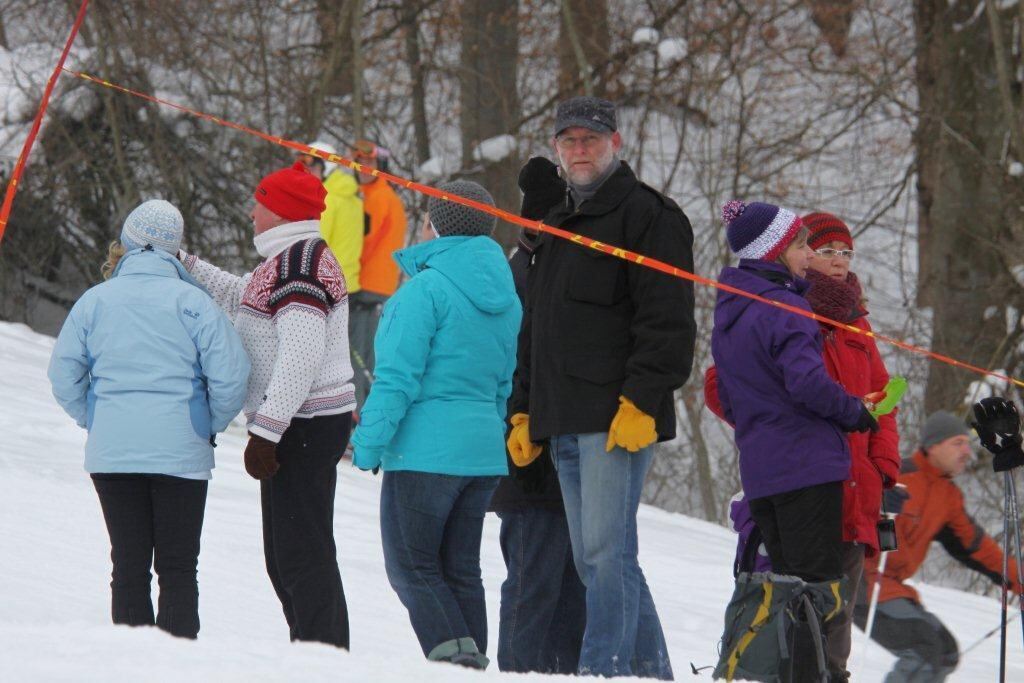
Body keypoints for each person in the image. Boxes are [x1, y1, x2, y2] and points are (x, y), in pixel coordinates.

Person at [507, 96, 695, 680]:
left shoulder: (650, 217)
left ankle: (603, 670)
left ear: (616, 143)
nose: (580, 149)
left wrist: (642, 400)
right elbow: (535, 326)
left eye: (591, 139)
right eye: (569, 141)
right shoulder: (557, 223)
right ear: (558, 151)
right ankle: (648, 670)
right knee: (601, 561)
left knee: (605, 555)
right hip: (558, 416)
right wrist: (523, 410)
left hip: (614, 417)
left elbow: (666, 320)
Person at [706, 210, 901, 679]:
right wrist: (844, 412)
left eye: (843, 253)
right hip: (809, 469)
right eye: (816, 248)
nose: (827, 259)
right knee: (809, 603)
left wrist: (881, 463)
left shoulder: (739, 306)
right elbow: (784, 385)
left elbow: (882, 397)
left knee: (812, 607)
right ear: (784, 252)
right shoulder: (788, 308)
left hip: (819, 478)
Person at [48, 199, 250, 639]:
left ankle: (131, 666)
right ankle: (176, 666)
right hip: (182, 453)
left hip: (113, 454)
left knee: (128, 566)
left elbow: (63, 375)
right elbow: (232, 376)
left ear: (126, 244)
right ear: (174, 250)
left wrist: (96, 419)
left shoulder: (94, 301)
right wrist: (205, 425)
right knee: (178, 569)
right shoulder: (194, 303)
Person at [180, 162, 356, 648]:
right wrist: (188, 264)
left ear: (279, 212)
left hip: (304, 425)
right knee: (285, 555)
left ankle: (325, 658)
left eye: (259, 203)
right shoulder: (286, 259)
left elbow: (301, 357)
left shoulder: (301, 267)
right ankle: (311, 648)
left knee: (301, 554)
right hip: (297, 426)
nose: (251, 212)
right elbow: (245, 296)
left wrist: (267, 432)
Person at [351, 180, 520, 669]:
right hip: (482, 453)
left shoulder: (423, 291)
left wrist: (368, 445)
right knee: (462, 569)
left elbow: (396, 380)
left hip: (426, 453)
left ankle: (456, 666)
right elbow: (501, 384)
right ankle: (474, 662)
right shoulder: (507, 297)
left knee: (412, 567)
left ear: (434, 225)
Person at [489, 157, 586, 674]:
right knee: (531, 579)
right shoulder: (521, 272)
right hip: (527, 448)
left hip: (562, 446)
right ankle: (521, 670)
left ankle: (564, 669)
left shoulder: (534, 266)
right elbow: (518, 359)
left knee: (568, 581)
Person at [856, 410, 1023, 682]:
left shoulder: (948, 497)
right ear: (934, 445)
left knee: (945, 653)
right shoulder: (898, 474)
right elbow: (851, 502)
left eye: (967, 444)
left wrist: (1018, 578)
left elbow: (977, 547)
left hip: (892, 588)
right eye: (957, 443)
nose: (966, 451)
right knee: (925, 651)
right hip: (861, 583)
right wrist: (877, 498)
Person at [349, 139, 408, 407]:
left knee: (357, 357)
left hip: (367, 286)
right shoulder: (380, 196)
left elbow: (362, 241)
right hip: (377, 285)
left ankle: (357, 419)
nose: (362, 168)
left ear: (379, 165)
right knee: (367, 356)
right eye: (359, 161)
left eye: (369, 162)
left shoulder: (377, 198)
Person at [298, 140, 364, 296]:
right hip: (348, 283)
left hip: (326, 285)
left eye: (312, 167)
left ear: (326, 168)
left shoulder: (326, 200)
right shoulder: (352, 197)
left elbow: (313, 245)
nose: (306, 172)